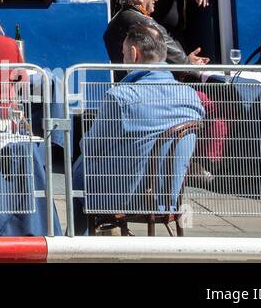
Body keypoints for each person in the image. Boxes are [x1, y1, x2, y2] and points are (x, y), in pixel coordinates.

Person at [74, 24, 204, 221]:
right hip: (169, 199)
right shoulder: (192, 96)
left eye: (124, 54)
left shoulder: (121, 97)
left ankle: (81, 241)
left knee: (79, 166)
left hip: (124, 199)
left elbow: (91, 147)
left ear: (134, 54)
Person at [103, 0, 207, 66]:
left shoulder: (113, 23)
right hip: (147, 84)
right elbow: (172, 53)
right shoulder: (146, 24)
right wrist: (188, 63)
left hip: (126, 82)